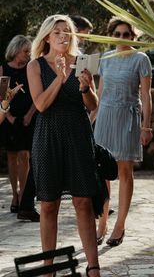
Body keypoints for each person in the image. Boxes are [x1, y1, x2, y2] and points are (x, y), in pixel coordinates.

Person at [27, 15, 101, 276]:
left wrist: (84, 88)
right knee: (48, 204)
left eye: (67, 32)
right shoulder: (35, 66)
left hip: (78, 135)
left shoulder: (81, 62)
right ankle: (49, 268)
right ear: (47, 36)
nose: (63, 36)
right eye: (57, 32)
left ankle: (93, 266)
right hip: (48, 137)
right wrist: (60, 77)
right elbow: (41, 105)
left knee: (83, 201)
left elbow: (93, 105)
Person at [93, 17, 152, 247]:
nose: (120, 38)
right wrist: (91, 120)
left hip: (128, 118)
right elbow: (99, 93)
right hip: (105, 118)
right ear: (110, 35)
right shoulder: (105, 59)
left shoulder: (141, 59)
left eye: (125, 34)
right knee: (103, 173)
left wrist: (146, 126)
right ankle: (102, 222)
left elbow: (146, 95)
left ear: (133, 37)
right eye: (116, 34)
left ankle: (120, 225)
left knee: (125, 172)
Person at [1, 35, 37, 220]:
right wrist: (8, 116)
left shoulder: (31, 67)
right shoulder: (3, 69)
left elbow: (35, 94)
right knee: (12, 155)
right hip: (8, 117)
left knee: (25, 155)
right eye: (25, 51)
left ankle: (24, 197)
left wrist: (30, 115)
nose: (28, 54)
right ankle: (14, 196)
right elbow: (1, 97)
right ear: (15, 50)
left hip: (28, 117)